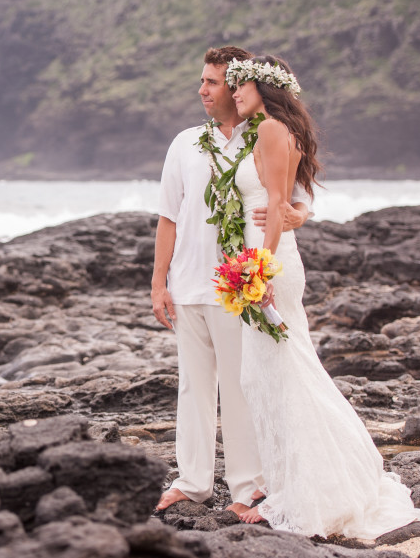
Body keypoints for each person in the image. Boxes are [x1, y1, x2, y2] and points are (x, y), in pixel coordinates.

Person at [227, 54, 420, 538]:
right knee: (274, 373)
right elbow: (289, 201)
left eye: (241, 85)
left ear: (264, 88)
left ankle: (305, 494)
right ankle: (292, 485)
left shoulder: (272, 130)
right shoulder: (267, 130)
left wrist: (259, 268)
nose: (235, 93)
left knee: (281, 374)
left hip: (270, 262)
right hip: (269, 257)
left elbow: (276, 205)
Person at [151, 46, 311, 516]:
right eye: (202, 81)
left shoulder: (262, 135)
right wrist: (159, 284)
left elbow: (296, 200)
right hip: (186, 284)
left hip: (237, 284)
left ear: (241, 86)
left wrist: (296, 219)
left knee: (242, 386)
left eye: (214, 82)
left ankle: (247, 488)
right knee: (192, 387)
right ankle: (191, 482)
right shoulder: (183, 143)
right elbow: (168, 218)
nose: (203, 90)